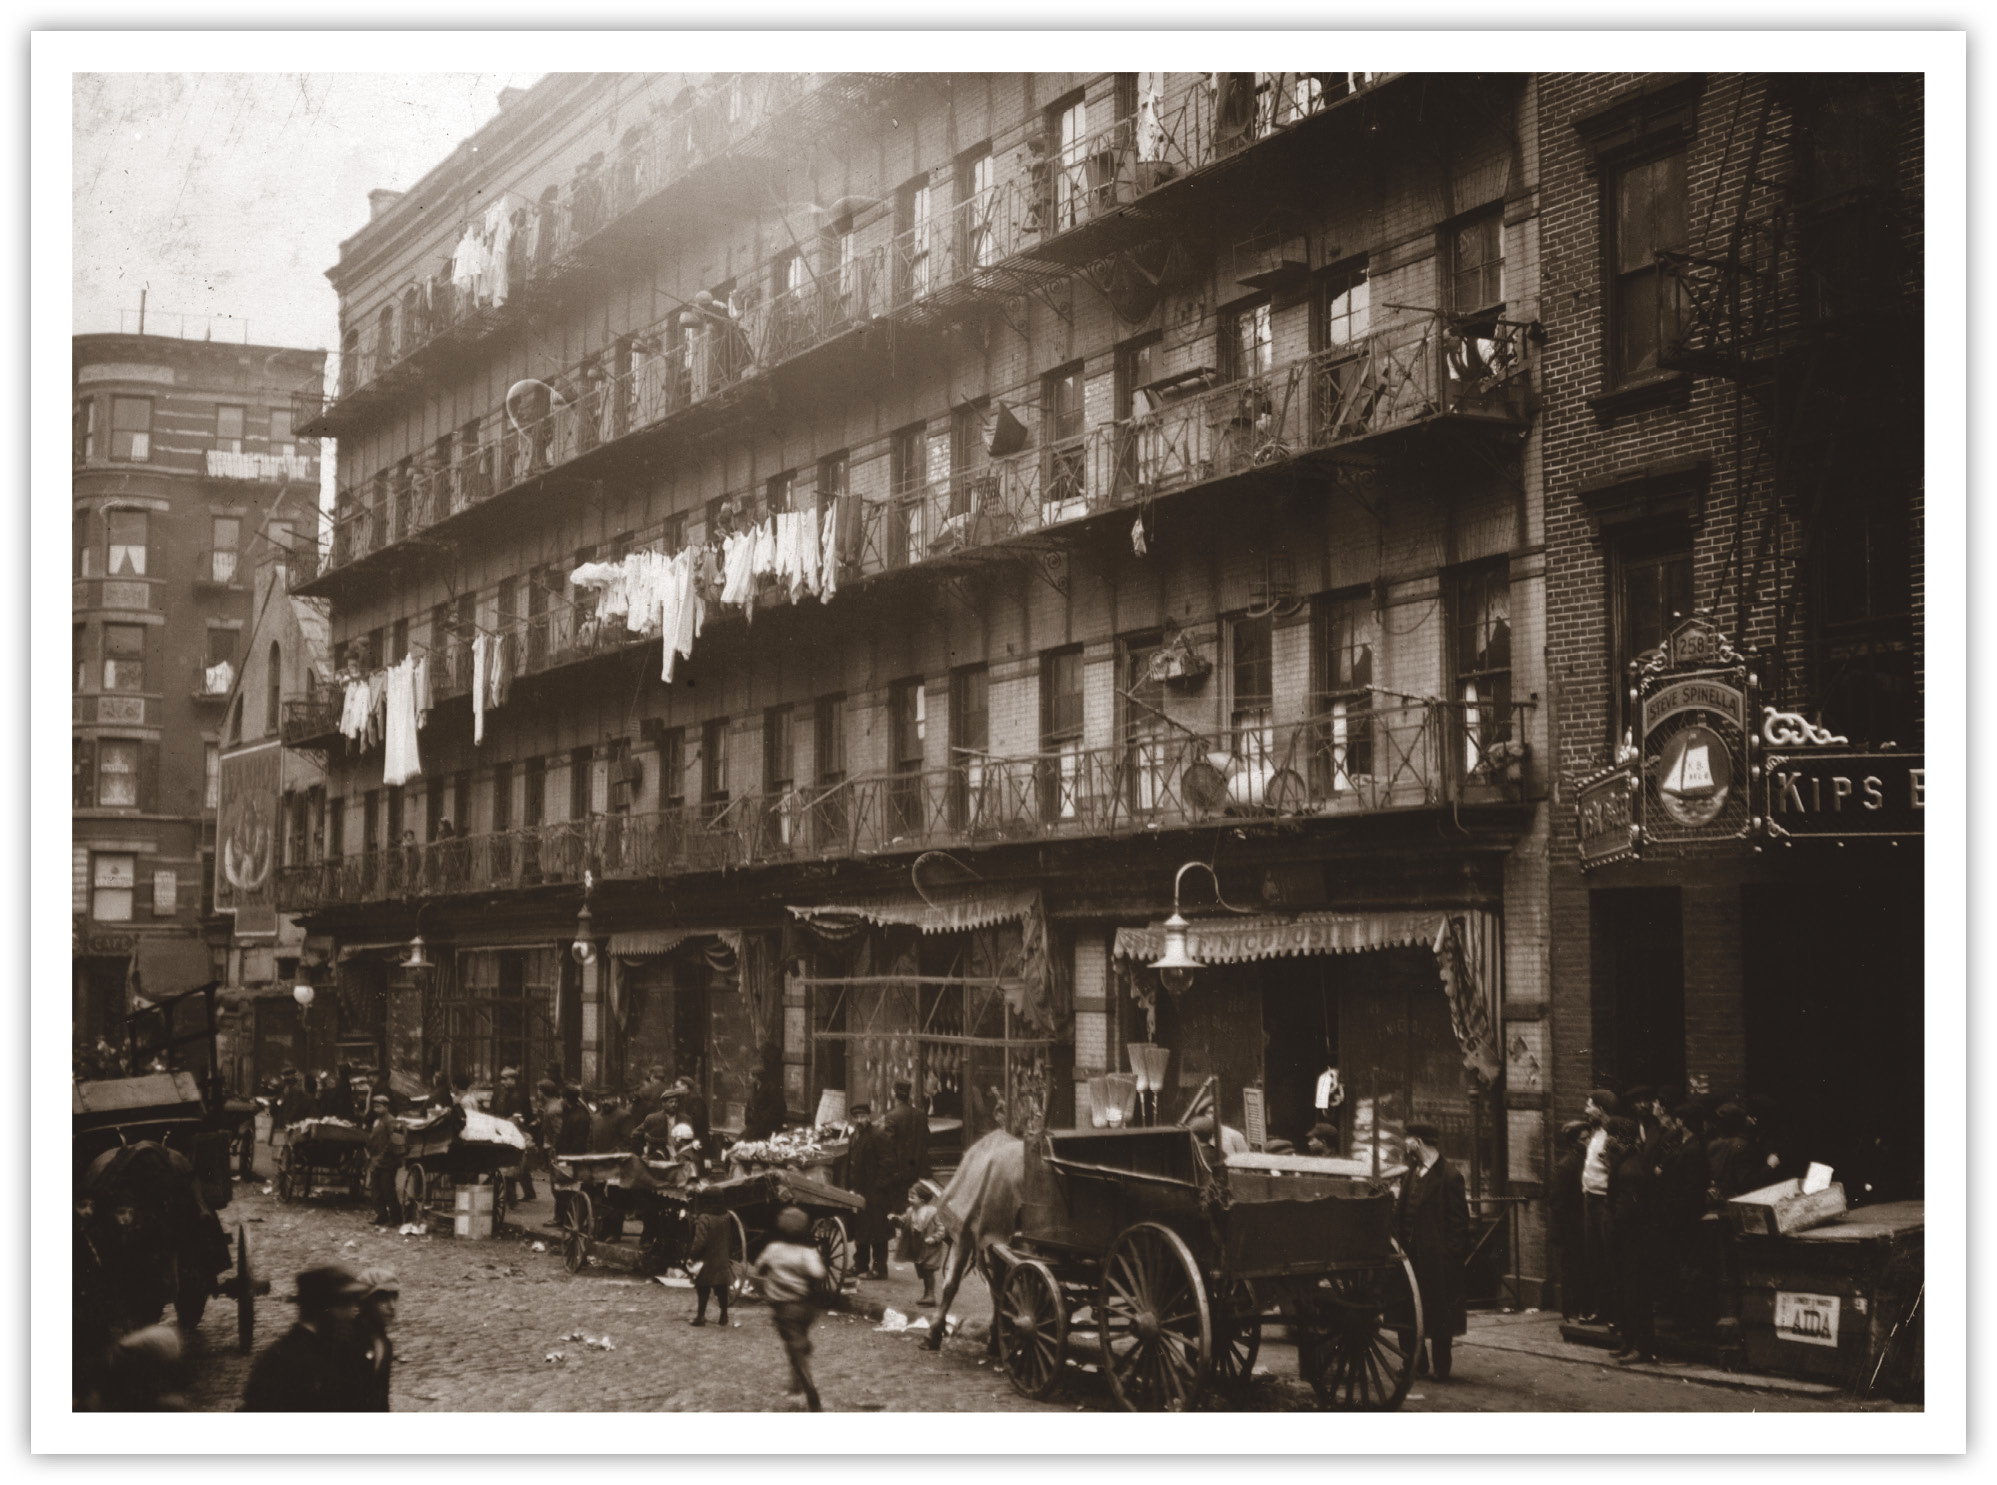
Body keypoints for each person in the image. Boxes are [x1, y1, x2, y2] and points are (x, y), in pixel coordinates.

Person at [1393, 1121, 1468, 1380]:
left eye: (1408, 1139)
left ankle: (1442, 1366)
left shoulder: (1450, 1176)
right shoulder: (1411, 1172)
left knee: (1438, 1312)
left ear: (1418, 1142)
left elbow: (1459, 1224)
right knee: (1407, 1311)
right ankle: (1415, 1362)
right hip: (1408, 1257)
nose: (1405, 1143)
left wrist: (1449, 1257)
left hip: (1436, 1261)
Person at [242, 1263, 372, 1411]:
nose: (352, 1313)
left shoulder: (343, 1351)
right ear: (319, 1309)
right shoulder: (280, 1363)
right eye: (344, 1305)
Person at [751, 1206, 831, 1412]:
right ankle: (796, 1380)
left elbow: (758, 1269)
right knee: (798, 1342)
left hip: (783, 1308)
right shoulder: (808, 1252)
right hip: (806, 1307)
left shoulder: (773, 1248)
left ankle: (809, 1388)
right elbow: (819, 1273)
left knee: (793, 1348)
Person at [1604, 1115, 1658, 1363]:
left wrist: (1614, 1227)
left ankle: (1640, 1346)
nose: (1607, 1142)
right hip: (1629, 1239)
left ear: (1619, 1139)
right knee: (1626, 1290)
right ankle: (1629, 1341)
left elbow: (1627, 1209)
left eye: (1610, 1136)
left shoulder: (1631, 1168)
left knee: (1636, 1292)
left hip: (1633, 1240)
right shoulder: (1625, 1161)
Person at [1579, 1089, 1618, 1326]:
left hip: (1603, 1201)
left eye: (1589, 1105)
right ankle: (1602, 1309)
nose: (1586, 1109)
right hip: (1589, 1198)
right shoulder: (1594, 1133)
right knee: (1594, 1257)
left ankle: (1614, 1313)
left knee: (1608, 1257)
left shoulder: (1613, 1135)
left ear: (1601, 1110)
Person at [1550, 1119, 1592, 1321]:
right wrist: (1566, 1231)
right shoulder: (1566, 1165)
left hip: (1583, 1224)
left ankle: (1583, 1308)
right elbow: (1557, 1202)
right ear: (1574, 1142)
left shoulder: (1588, 1160)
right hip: (1573, 1227)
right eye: (1584, 1138)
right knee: (1572, 1269)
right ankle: (1570, 1311)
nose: (1589, 1141)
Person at [844, 1102, 892, 1280]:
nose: (860, 1120)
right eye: (856, 1117)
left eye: (863, 1116)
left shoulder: (877, 1135)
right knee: (860, 1229)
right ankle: (860, 1264)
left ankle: (880, 1268)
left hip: (875, 1192)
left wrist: (879, 1185)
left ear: (869, 1116)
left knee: (878, 1231)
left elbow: (888, 1162)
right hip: (859, 1190)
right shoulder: (855, 1135)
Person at [895, 1180, 947, 1308]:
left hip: (931, 1247)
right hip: (917, 1246)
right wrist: (895, 1220)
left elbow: (942, 1228)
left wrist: (935, 1238)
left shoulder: (932, 1212)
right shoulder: (910, 1211)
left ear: (923, 1199)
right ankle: (926, 1294)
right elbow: (903, 1223)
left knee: (929, 1270)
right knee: (923, 1271)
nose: (909, 1199)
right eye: (909, 1197)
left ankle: (930, 1295)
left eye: (913, 1197)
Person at [356, 1267, 399, 1411]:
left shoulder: (384, 1343)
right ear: (364, 1302)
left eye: (394, 1297)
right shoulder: (348, 1340)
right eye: (383, 1298)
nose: (392, 1306)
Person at [882, 1078, 930, 1194]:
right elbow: (927, 1139)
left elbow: (888, 1145)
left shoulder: (892, 1116)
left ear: (894, 1093)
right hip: (917, 1170)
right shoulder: (920, 1114)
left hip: (899, 1172)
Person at [687, 1210, 733, 1328]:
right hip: (722, 1256)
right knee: (722, 1286)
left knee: (703, 1287)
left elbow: (700, 1241)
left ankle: (700, 1317)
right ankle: (724, 1316)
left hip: (707, 1258)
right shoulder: (726, 1216)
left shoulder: (705, 1218)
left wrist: (692, 1256)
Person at [365, 1094, 400, 1227]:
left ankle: (396, 1217)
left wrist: (383, 1154)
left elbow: (394, 1140)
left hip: (388, 1161)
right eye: (375, 1107)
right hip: (376, 1159)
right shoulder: (377, 1121)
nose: (376, 1109)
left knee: (388, 1189)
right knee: (376, 1190)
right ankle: (381, 1215)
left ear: (386, 1106)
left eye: (379, 1106)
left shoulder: (390, 1121)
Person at [742, 1046, 788, 1142]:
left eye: (750, 1076)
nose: (749, 1078)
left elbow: (778, 1108)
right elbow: (749, 1105)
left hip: (767, 1127)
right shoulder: (753, 1089)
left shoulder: (772, 1089)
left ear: (757, 1077)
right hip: (754, 1125)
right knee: (742, 1140)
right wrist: (749, 1118)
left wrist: (761, 1117)